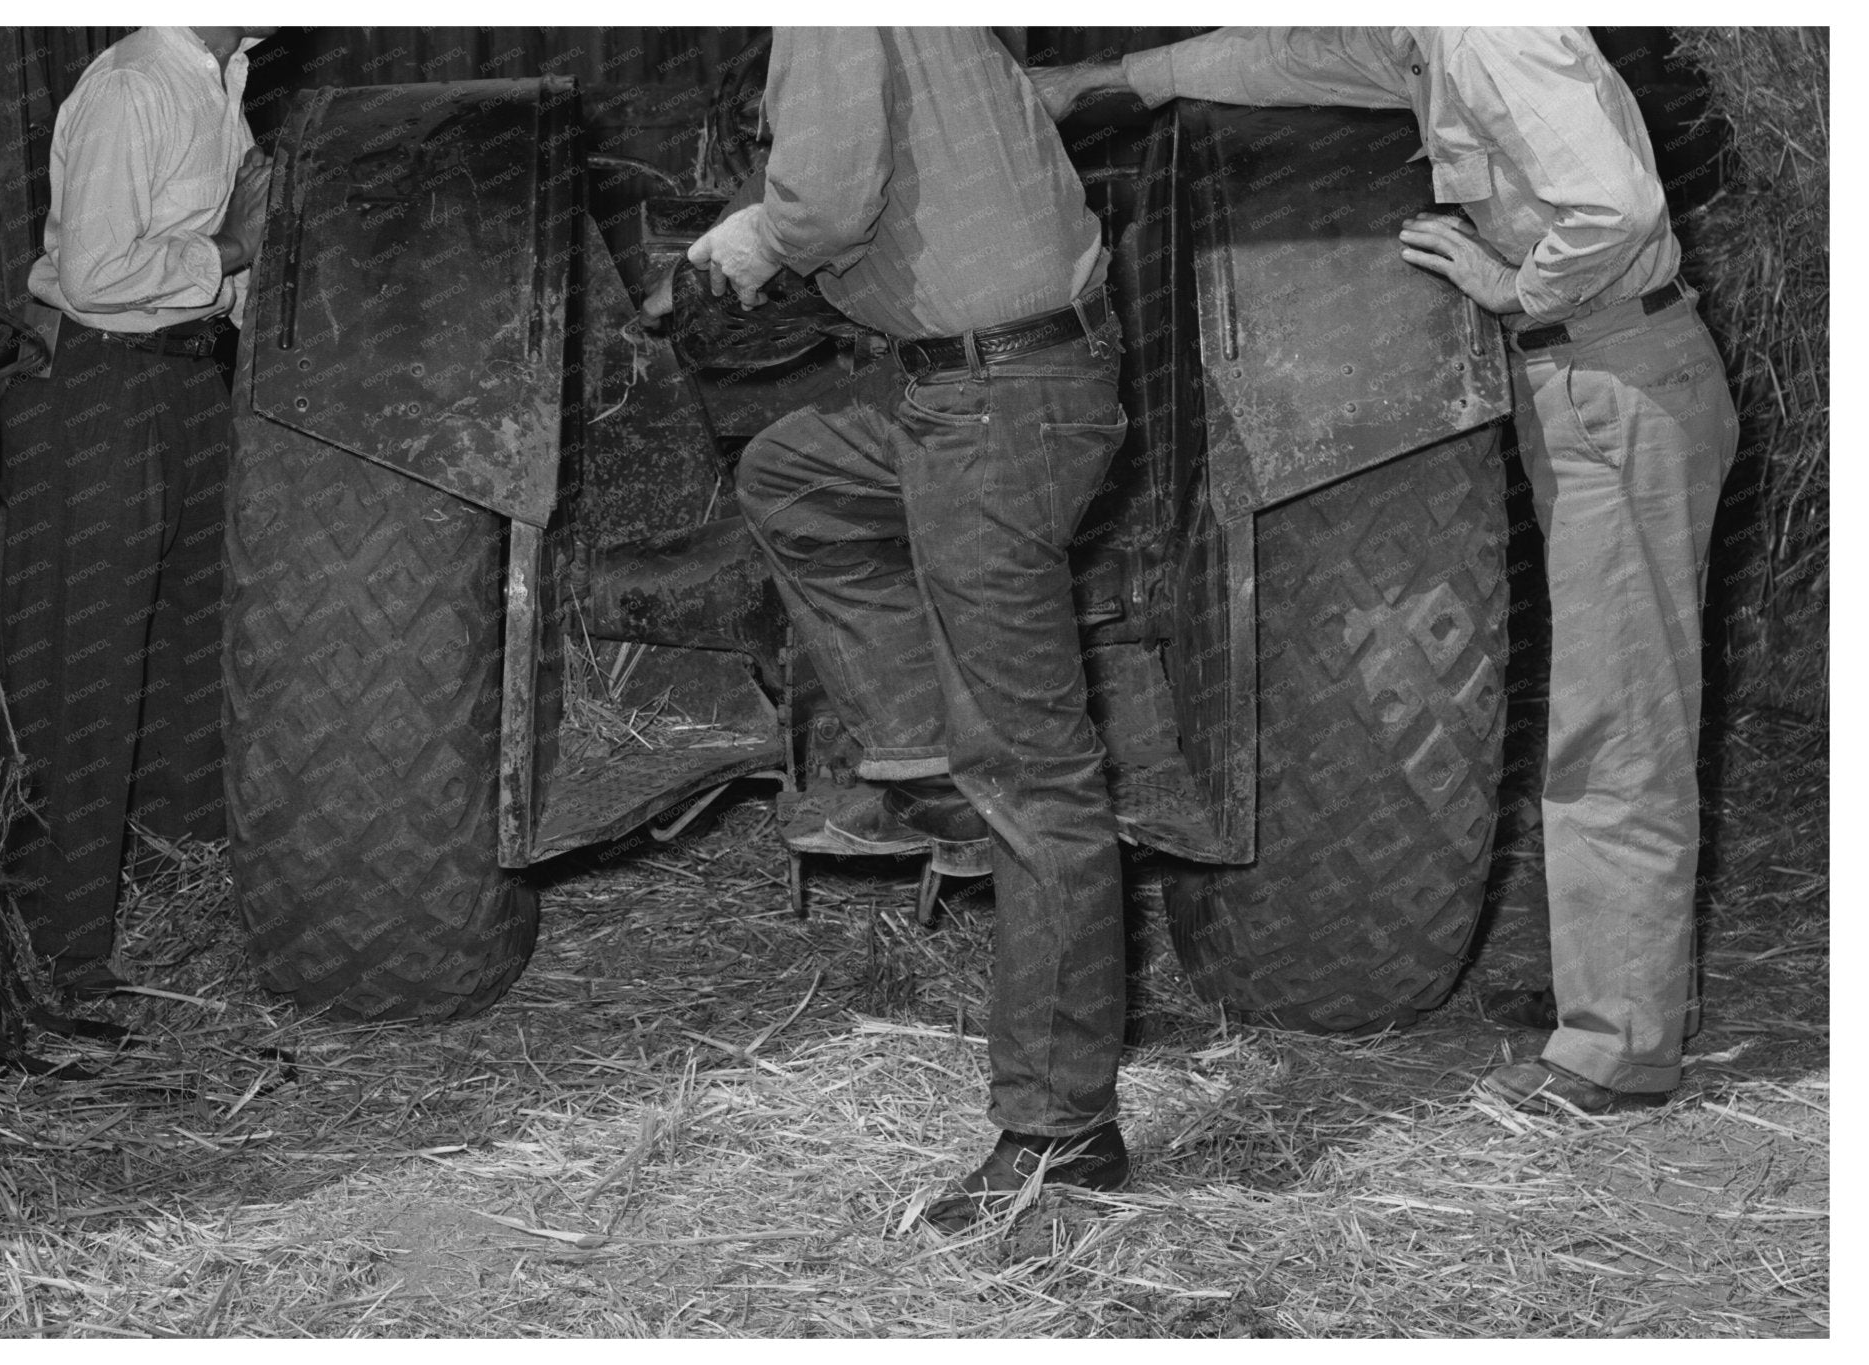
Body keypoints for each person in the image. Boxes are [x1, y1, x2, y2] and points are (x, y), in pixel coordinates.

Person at [1034, 29, 1737, 1115]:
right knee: (1610, 703)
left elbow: (1615, 210)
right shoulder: (1419, 33)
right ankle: (1616, 990)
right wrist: (1112, 83)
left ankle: (1619, 1049)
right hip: (1590, 375)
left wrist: (1512, 285)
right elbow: (1295, 59)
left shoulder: (1486, 31)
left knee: (1618, 717)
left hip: (1613, 376)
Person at [647, 27, 1132, 1228]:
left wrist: (739, 243)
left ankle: (1059, 1133)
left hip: (993, 404)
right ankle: (921, 754)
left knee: (1036, 779)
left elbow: (820, 207)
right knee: (796, 473)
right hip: (978, 383)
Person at [0, 26, 275, 992]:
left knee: (194, 643)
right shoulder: (132, 88)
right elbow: (99, 277)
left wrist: (244, 277)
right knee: (94, 660)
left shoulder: (221, 79)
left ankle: (176, 883)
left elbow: (227, 267)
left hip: (193, 379)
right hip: (112, 387)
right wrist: (235, 243)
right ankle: (59, 947)